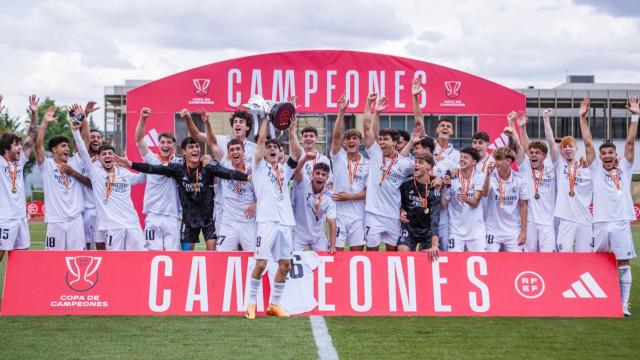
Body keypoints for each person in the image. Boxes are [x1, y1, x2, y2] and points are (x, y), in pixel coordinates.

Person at [118, 134, 250, 251]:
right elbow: (153, 168)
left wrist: (246, 177)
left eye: (197, 147)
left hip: (208, 219)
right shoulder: (178, 167)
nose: (195, 150)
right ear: (184, 152)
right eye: (191, 147)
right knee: (186, 257)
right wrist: (130, 164)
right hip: (188, 221)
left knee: (212, 254)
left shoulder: (208, 165)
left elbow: (228, 173)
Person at [585, 96, 639, 317]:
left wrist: (635, 116)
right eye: (603, 154)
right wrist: (582, 117)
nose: (607, 156)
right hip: (599, 222)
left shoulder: (625, 168)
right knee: (596, 260)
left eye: (610, 153)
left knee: (623, 262)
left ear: (615, 156)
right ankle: (595, 300)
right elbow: (588, 143)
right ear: (600, 157)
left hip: (620, 222)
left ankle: (623, 305)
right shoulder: (595, 168)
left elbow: (629, 143)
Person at [245, 113, 301, 319]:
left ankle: (274, 306)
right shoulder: (259, 167)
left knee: (285, 265)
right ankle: (250, 305)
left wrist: (292, 131)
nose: (271, 150)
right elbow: (260, 140)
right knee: (261, 264)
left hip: (286, 222)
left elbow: (297, 152)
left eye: (275, 148)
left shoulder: (285, 170)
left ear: (280, 152)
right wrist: (266, 119)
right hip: (266, 222)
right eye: (268, 148)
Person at [72, 109, 147, 251]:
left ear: (115, 157)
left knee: (139, 260)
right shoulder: (94, 171)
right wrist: (76, 132)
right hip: (112, 226)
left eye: (110, 154)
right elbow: (82, 150)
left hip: (132, 224)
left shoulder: (124, 172)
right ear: (99, 158)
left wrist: (144, 160)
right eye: (104, 154)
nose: (107, 156)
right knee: (114, 262)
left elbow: (142, 178)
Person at [35, 105, 91, 250]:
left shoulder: (75, 162)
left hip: (75, 221)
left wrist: (83, 118)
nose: (67, 149)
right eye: (63, 146)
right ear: (54, 149)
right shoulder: (46, 165)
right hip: (55, 221)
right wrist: (45, 123)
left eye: (68, 146)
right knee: (52, 260)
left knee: (77, 257)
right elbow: (38, 145)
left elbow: (85, 141)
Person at [363, 93, 413, 251]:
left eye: (386, 139)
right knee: (372, 253)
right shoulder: (375, 154)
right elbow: (367, 130)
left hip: (393, 215)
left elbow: (424, 170)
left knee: (392, 255)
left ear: (396, 143)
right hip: (373, 213)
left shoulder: (406, 164)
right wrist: (373, 109)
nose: (382, 142)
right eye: (381, 139)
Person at [550, 100, 595, 252]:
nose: (567, 149)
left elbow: (589, 143)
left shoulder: (588, 166)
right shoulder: (559, 164)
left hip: (585, 220)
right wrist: (545, 119)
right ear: (561, 151)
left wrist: (582, 118)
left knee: (585, 259)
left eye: (571, 146)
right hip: (566, 219)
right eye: (564, 147)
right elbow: (550, 142)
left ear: (577, 148)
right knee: (564, 257)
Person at [135, 107, 182, 251]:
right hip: (153, 215)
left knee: (173, 256)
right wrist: (143, 118)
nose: (166, 145)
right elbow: (139, 139)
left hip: (173, 216)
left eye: (169, 142)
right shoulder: (151, 159)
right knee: (152, 254)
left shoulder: (179, 163)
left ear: (174, 145)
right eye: (163, 142)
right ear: (158, 144)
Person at [515, 110, 559, 252]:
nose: (533, 155)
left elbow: (552, 143)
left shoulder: (552, 167)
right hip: (530, 222)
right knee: (529, 258)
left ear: (544, 156)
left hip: (547, 222)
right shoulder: (525, 166)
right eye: (531, 153)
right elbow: (522, 146)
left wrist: (546, 119)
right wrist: (522, 127)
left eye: (537, 153)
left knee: (548, 259)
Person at [0, 95, 37, 261]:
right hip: (4, 218)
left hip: (21, 218)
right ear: (6, 149)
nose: (21, 147)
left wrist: (34, 115)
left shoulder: (20, 161)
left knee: (22, 257)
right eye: (17, 145)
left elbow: (31, 136)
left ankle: (18, 288)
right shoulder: (1, 162)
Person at [330, 95, 368, 251]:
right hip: (338, 214)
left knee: (357, 253)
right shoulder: (338, 157)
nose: (351, 141)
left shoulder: (368, 163)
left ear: (360, 142)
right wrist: (341, 112)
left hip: (358, 216)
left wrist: (350, 197)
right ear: (344, 143)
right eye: (348, 139)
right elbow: (336, 135)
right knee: (336, 253)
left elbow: (368, 191)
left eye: (355, 138)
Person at [483, 143, 528, 252]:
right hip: (492, 229)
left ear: (508, 161)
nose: (495, 162)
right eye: (495, 159)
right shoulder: (491, 176)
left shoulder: (519, 179)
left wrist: (523, 232)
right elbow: (484, 194)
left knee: (515, 263)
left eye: (498, 159)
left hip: (513, 230)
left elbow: (523, 206)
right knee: (491, 261)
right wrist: (488, 176)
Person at [441, 147, 485, 252]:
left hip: (476, 232)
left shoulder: (480, 177)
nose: (462, 160)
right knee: (454, 264)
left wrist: (466, 199)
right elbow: (444, 205)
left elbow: (474, 202)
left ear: (474, 162)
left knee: (481, 260)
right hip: (456, 232)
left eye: (465, 157)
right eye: (461, 157)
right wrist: (445, 188)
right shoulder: (452, 177)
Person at [216, 139, 257, 251]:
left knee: (253, 257)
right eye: (232, 150)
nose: (235, 152)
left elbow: (265, 192)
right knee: (221, 255)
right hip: (228, 222)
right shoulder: (224, 166)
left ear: (244, 152)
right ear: (228, 154)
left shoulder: (252, 169)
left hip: (247, 221)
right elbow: (212, 143)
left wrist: (255, 203)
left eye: (238, 149)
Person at [398, 152, 440, 259]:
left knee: (430, 256)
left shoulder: (434, 187)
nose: (416, 165)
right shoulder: (406, 183)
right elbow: (399, 202)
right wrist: (402, 210)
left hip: (427, 231)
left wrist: (435, 245)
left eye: (420, 163)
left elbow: (435, 217)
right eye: (415, 162)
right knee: (403, 253)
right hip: (409, 228)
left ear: (429, 167)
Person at [292, 153, 336, 252]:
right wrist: (304, 159)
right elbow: (297, 171)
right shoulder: (303, 183)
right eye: (317, 173)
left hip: (317, 236)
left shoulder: (330, 196)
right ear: (312, 175)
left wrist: (332, 245)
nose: (320, 177)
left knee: (326, 260)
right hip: (299, 234)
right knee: (292, 261)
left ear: (327, 177)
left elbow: (332, 222)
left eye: (323, 175)